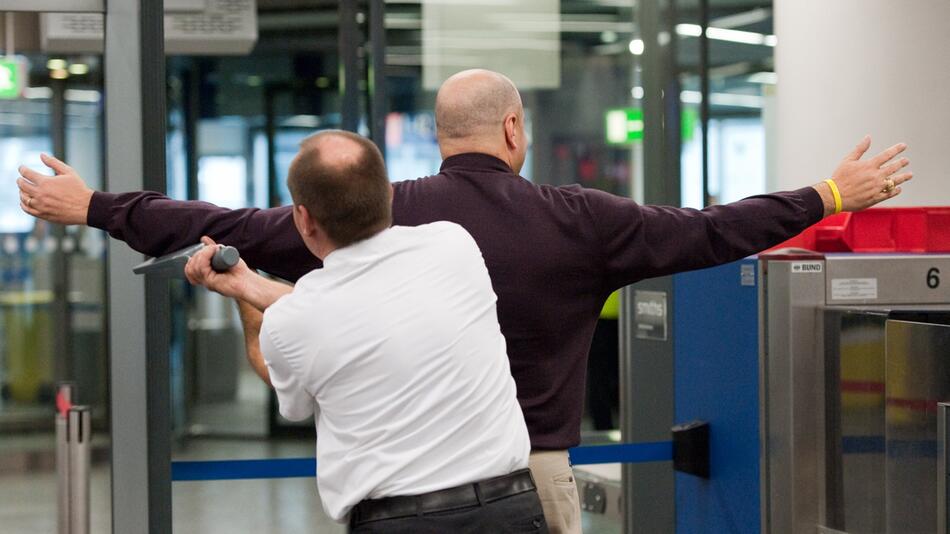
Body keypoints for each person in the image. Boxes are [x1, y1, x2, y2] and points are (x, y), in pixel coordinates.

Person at [16, 69, 911, 534]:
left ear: (442, 138)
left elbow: (218, 222)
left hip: (402, 498)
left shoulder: (390, 211)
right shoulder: (579, 220)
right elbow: (713, 231)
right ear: (515, 130)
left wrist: (95, 206)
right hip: (534, 486)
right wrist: (828, 195)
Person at [182, 130, 546, 532]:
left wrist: (241, 296)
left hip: (402, 523)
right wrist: (247, 283)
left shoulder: (296, 320)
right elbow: (353, 305)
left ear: (303, 219)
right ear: (388, 194)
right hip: (508, 509)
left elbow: (289, 358)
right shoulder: (454, 244)